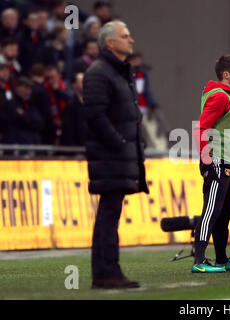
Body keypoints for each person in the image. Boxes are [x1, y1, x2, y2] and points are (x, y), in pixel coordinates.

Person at [82, 21, 149, 289]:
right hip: (110, 157)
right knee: (108, 216)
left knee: (109, 215)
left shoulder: (120, 72)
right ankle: (106, 272)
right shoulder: (100, 73)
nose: (131, 40)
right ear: (110, 43)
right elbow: (95, 116)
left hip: (117, 156)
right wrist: (120, 143)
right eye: (125, 36)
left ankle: (107, 271)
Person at [191, 55, 230, 273]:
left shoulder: (227, 96)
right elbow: (200, 128)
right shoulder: (220, 97)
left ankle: (222, 259)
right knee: (212, 210)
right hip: (218, 160)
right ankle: (199, 261)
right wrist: (207, 161)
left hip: (228, 161)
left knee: (224, 213)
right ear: (227, 75)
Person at [0, 76, 44, 146]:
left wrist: (24, 115)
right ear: (18, 87)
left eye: (30, 88)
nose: (28, 91)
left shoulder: (30, 103)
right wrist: (28, 118)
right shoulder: (9, 101)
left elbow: (39, 122)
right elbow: (16, 118)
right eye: (26, 87)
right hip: (14, 144)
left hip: (31, 144)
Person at [61, 72, 86, 146]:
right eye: (82, 82)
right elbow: (68, 130)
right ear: (74, 85)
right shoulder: (70, 105)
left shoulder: (90, 103)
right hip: (75, 148)